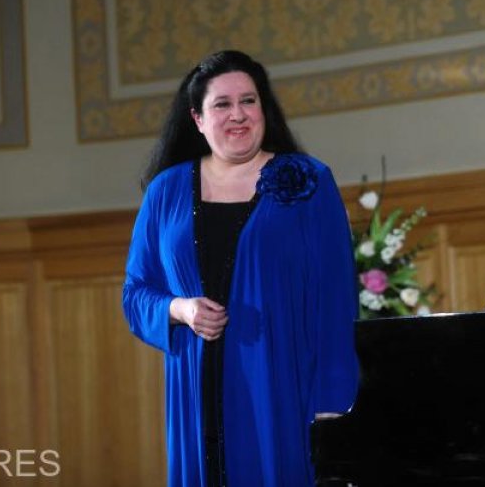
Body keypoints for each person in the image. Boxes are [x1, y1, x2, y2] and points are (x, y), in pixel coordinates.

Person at [122, 50, 359, 487]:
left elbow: (337, 300)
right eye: (222, 104)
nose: (239, 115)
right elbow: (136, 295)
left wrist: (334, 402)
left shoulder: (309, 182)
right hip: (195, 390)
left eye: (249, 101)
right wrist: (181, 309)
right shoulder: (164, 191)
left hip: (285, 387)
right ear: (197, 118)